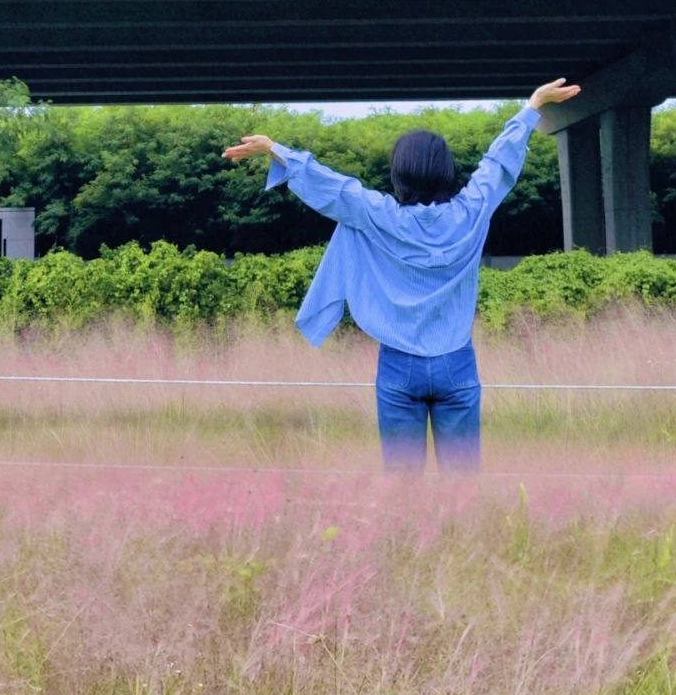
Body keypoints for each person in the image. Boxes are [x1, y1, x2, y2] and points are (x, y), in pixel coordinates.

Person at [222, 78, 582, 474]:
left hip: (398, 365)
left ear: (399, 174)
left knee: (402, 489)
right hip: (457, 362)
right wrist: (532, 106)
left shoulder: (380, 215)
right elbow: (497, 165)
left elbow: (335, 188)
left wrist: (275, 149)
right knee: (463, 486)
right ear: (447, 172)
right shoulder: (470, 213)